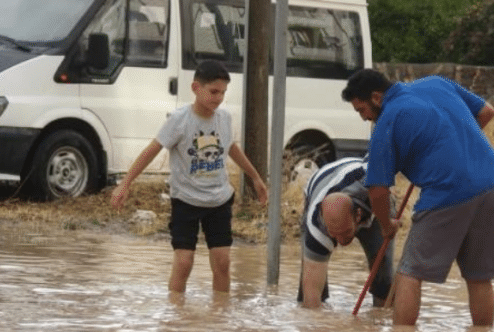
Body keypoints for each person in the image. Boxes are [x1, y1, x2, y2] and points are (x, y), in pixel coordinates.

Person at [341, 69, 494, 326]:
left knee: (409, 272)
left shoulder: (387, 122)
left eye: (361, 110)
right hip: (491, 184)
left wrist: (387, 225)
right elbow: (487, 112)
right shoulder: (437, 83)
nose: (364, 118)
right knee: (479, 277)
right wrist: (450, 143)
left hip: (447, 192)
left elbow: (377, 190)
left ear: (377, 97)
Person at [111, 60, 268, 299]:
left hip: (219, 200)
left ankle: (221, 316)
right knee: (184, 262)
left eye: (223, 93)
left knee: (223, 262)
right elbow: (151, 150)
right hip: (186, 201)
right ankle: (175, 318)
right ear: (196, 88)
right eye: (214, 92)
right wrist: (125, 183)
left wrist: (255, 178)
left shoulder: (224, 118)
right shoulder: (179, 119)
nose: (219, 98)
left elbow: (231, 148)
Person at [298, 155, 393, 309]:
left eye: (345, 232)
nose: (341, 241)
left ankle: (380, 315)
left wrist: (388, 225)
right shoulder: (316, 225)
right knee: (310, 291)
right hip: (319, 184)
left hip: (373, 200)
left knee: (383, 276)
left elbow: (384, 158)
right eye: (334, 234)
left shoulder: (373, 187)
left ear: (358, 215)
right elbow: (311, 296)